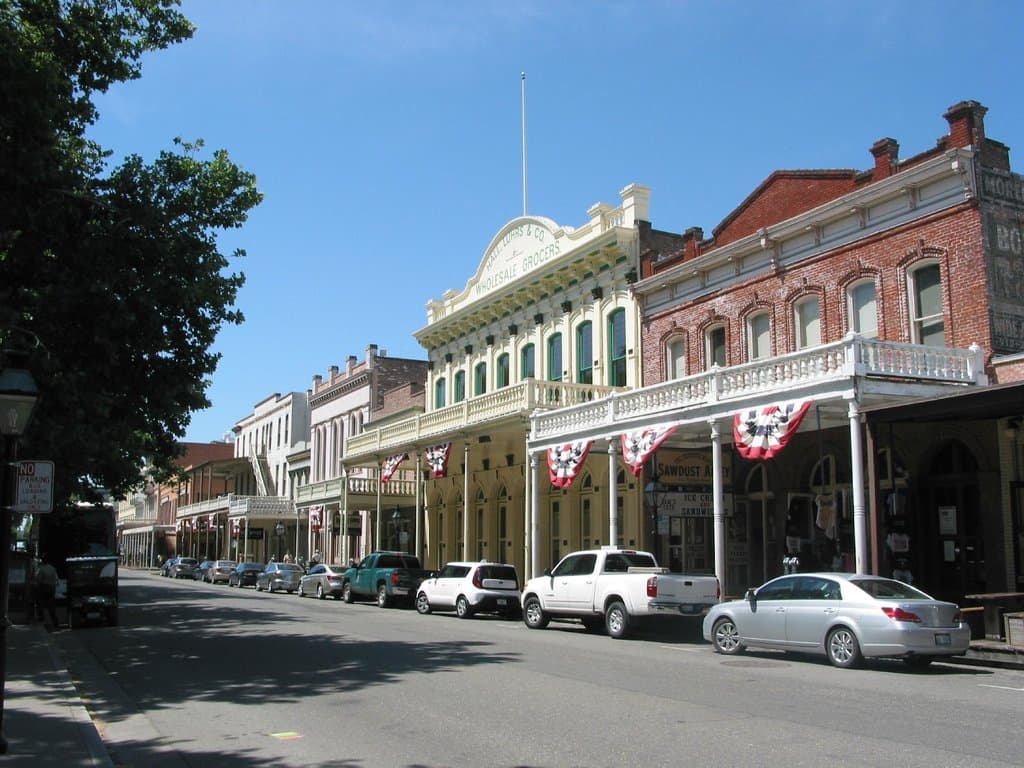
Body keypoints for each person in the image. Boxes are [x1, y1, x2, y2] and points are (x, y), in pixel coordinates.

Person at [35, 555, 60, 628]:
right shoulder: (53, 568)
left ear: (43, 561)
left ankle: (41, 618)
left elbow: (38, 579)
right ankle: (55, 621)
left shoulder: (41, 569)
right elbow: (56, 578)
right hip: (52, 588)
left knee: (40, 603)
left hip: (44, 587)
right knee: (51, 605)